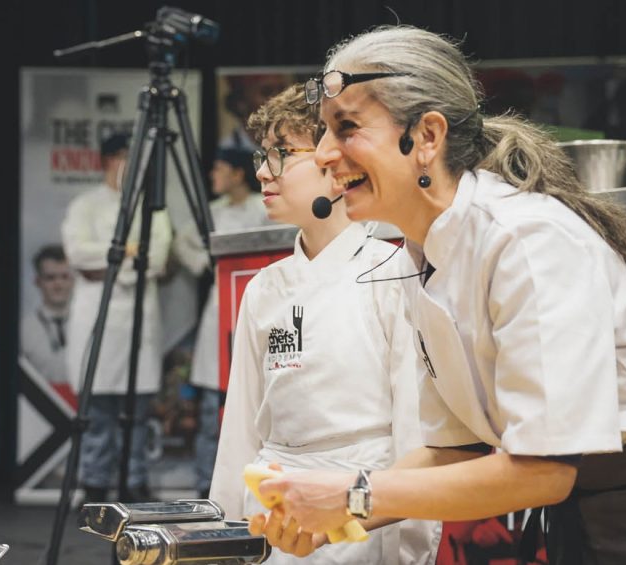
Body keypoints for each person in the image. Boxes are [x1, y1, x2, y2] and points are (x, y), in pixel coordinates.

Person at [252, 26, 626, 564]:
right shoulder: (423, 250)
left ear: (427, 136)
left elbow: (542, 471)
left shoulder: (526, 239)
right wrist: (337, 514)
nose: (322, 154)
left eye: (347, 128)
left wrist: (354, 494)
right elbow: (456, 450)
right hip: (589, 521)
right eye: (323, 132)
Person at [208, 84, 441, 564]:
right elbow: (240, 432)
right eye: (260, 155)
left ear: (337, 165)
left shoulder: (393, 272)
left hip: (359, 514)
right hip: (272, 510)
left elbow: (414, 431)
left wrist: (413, 549)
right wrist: (223, 538)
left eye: (281, 154)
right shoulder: (263, 288)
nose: (262, 171)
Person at [62, 132, 173, 502]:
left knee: (136, 414)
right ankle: (93, 486)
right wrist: (127, 251)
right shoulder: (84, 205)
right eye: (124, 156)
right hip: (97, 316)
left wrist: (112, 263)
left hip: (138, 321)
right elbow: (78, 254)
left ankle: (135, 483)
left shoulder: (153, 210)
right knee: (96, 413)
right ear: (108, 160)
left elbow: (155, 261)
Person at [173, 147, 271, 499]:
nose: (213, 175)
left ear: (237, 174)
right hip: (219, 309)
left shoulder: (264, 209)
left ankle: (250, 489)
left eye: (219, 168)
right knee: (212, 411)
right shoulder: (210, 214)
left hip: (259, 304)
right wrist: (206, 263)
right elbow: (182, 242)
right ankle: (206, 487)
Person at [20, 244, 73, 385]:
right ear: (38, 282)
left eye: (64, 277)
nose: (58, 284)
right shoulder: (23, 330)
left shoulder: (91, 328)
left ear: (73, 280)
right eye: (51, 278)